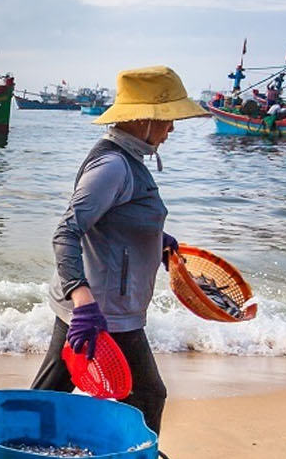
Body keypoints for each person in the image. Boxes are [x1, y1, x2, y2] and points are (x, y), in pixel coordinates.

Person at [30, 66, 209, 435]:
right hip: (100, 311)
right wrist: (83, 302)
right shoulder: (113, 166)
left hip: (108, 308)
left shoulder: (129, 160)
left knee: (51, 396)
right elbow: (66, 231)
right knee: (146, 396)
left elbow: (114, 224)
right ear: (143, 119)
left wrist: (156, 240)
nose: (172, 128)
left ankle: (25, 455)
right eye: (168, 118)